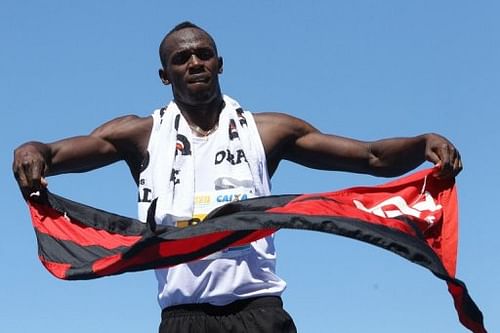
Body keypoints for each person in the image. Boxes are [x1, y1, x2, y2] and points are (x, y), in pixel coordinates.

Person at [13, 21, 462, 333]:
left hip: (259, 312)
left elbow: (371, 157)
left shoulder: (266, 131)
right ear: (163, 74)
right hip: (182, 317)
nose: (194, 62)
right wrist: (30, 152)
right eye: (181, 57)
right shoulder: (141, 135)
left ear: (220, 64)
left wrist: (421, 142)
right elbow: (53, 153)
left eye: (203, 54)